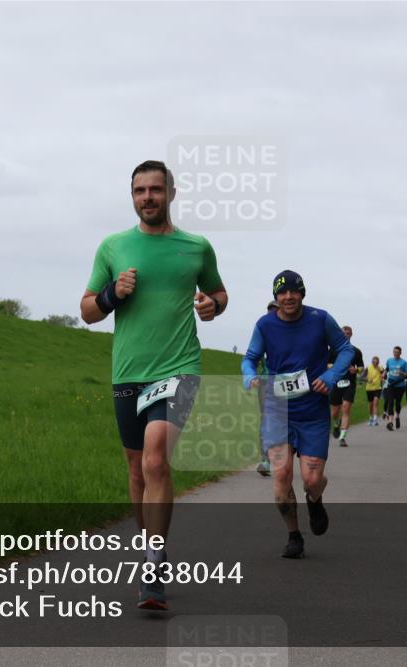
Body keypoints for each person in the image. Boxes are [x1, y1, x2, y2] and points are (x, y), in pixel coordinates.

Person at [80, 160, 228, 610]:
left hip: (179, 367)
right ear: (132, 196)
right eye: (140, 191)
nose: (148, 197)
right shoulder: (113, 247)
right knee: (135, 468)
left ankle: (154, 562)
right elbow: (87, 311)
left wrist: (212, 307)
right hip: (128, 370)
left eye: (155, 190)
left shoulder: (196, 247)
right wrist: (111, 295)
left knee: (156, 458)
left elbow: (219, 293)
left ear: (171, 193)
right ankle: (151, 549)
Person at [241, 270, 353, 559]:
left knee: (312, 479)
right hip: (278, 411)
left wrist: (331, 376)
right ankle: (293, 535)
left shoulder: (320, 319)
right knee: (281, 475)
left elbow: (345, 350)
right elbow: (250, 358)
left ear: (302, 293)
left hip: (313, 410)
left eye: (294, 291)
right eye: (282, 292)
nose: (288, 297)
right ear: (276, 297)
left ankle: (315, 501)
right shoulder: (265, 325)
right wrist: (249, 376)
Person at [328, 326, 365, 447]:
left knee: (346, 407)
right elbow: (326, 364)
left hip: (350, 383)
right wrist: (335, 367)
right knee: (335, 411)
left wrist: (356, 370)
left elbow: (361, 368)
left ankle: (342, 437)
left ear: (351, 335)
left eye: (348, 333)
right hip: (336, 382)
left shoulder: (356, 351)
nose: (346, 334)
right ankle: (337, 423)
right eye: (344, 332)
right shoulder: (333, 350)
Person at [256, 300, 280, 476]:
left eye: (275, 310)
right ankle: (266, 459)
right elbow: (253, 354)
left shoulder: (290, 330)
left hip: (286, 381)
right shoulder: (262, 329)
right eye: (270, 310)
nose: (272, 313)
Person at [383, 346, 407, 431]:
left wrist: (401, 372)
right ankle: (390, 422)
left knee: (398, 403)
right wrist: (384, 373)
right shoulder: (389, 360)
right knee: (390, 402)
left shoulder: (403, 362)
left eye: (397, 352)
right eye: (394, 352)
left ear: (400, 353)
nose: (396, 353)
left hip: (400, 386)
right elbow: (387, 369)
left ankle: (397, 416)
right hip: (391, 384)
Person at [364, 356, 383, 426]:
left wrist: (383, 376)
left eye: (377, 362)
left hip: (378, 388)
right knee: (371, 404)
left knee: (375, 403)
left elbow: (384, 375)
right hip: (369, 388)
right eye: (374, 362)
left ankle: (375, 419)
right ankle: (370, 418)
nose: (376, 363)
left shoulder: (380, 368)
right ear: (372, 362)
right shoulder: (368, 368)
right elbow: (361, 377)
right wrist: (367, 380)